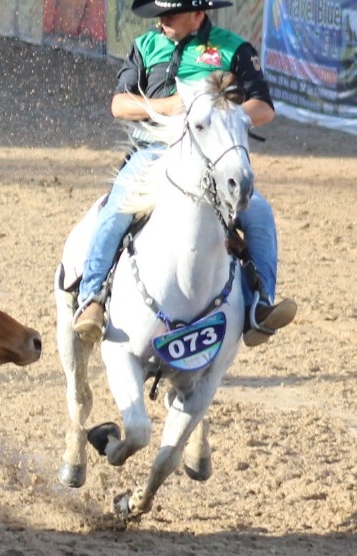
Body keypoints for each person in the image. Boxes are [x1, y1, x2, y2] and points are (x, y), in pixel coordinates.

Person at [72, 0, 296, 348]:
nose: (162, 20)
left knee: (260, 213)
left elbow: (263, 107)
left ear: (198, 13)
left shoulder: (234, 48)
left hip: (211, 159)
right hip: (152, 153)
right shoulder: (145, 46)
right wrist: (166, 107)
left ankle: (260, 306)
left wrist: (219, 114)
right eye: (159, 14)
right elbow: (120, 104)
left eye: (170, 14)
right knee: (117, 207)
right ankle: (92, 300)